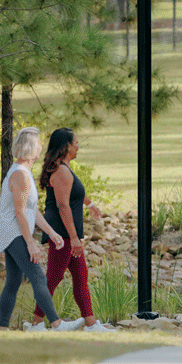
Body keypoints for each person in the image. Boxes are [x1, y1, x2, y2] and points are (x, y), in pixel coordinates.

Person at [0, 127, 83, 332]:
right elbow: (20, 212)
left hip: (12, 230)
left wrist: (51, 232)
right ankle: (56, 323)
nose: (42, 147)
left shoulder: (23, 172)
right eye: (39, 144)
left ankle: (1, 329)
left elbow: (31, 210)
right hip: (14, 232)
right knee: (38, 276)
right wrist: (30, 242)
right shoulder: (20, 175)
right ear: (31, 148)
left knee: (14, 281)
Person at [34, 128, 115, 332]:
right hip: (62, 233)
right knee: (53, 277)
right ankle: (35, 323)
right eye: (76, 142)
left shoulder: (65, 169)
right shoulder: (61, 171)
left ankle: (90, 324)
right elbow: (63, 205)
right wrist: (73, 237)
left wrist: (90, 205)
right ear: (67, 146)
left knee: (80, 276)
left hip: (66, 232)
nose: (79, 146)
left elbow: (74, 194)